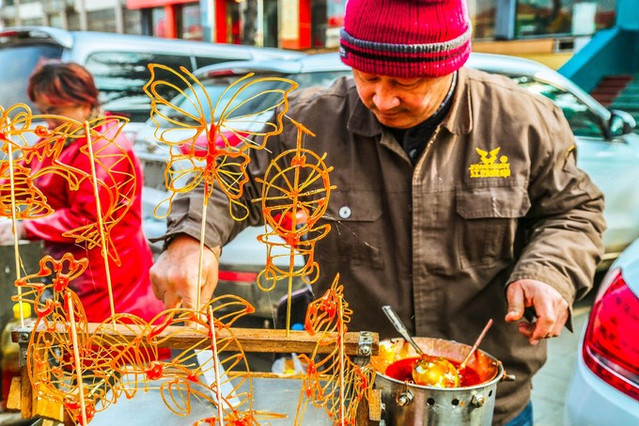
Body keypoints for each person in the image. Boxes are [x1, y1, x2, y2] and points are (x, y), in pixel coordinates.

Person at [149, 0, 606, 424]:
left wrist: (547, 272)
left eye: (406, 84)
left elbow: (574, 212)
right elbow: (232, 180)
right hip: (355, 397)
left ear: (451, 67)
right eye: (367, 77)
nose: (383, 100)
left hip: (486, 403)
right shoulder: (308, 122)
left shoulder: (522, 121)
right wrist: (192, 239)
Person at [0, 61, 165, 324]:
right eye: (43, 112)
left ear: (84, 104)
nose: (49, 122)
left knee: (104, 350)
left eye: (55, 111)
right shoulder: (59, 137)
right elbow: (21, 179)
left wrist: (22, 228)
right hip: (68, 270)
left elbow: (89, 220)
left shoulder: (104, 148)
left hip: (107, 277)